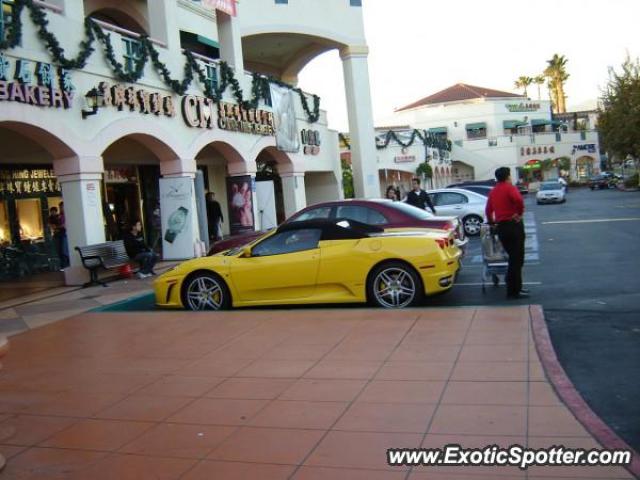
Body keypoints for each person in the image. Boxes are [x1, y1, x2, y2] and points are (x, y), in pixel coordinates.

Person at [485, 167, 528, 299]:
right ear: (508, 176)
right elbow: (519, 201)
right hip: (513, 226)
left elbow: (488, 210)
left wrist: (493, 223)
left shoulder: (493, 191)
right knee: (517, 260)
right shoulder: (510, 188)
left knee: (513, 258)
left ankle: (517, 287)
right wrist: (518, 214)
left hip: (502, 228)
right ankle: (513, 290)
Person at [57, 202, 69, 268]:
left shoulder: (66, 215)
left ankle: (68, 265)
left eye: (61, 207)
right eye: (60, 207)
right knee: (63, 250)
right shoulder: (60, 215)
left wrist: (58, 227)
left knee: (65, 250)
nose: (61, 209)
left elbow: (64, 225)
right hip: (63, 234)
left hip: (66, 234)